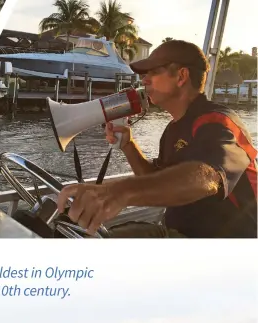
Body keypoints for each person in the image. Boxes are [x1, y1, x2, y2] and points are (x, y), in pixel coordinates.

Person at [56, 40, 257, 238]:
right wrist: (128, 145)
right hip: (177, 234)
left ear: (181, 76)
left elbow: (208, 177)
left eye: (153, 72)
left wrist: (119, 192)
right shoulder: (173, 129)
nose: (145, 80)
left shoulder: (218, 122)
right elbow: (155, 178)